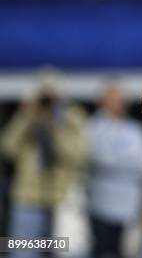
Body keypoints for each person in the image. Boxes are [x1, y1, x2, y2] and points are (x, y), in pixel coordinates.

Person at [0, 69, 88, 258]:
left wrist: (56, 128)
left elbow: (79, 155)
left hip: (61, 200)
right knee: (23, 253)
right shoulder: (27, 116)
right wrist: (26, 117)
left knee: (70, 252)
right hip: (28, 198)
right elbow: (8, 149)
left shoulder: (73, 117)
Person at [87, 84, 142, 258]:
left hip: (132, 206)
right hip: (101, 205)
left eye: (121, 101)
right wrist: (126, 162)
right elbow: (98, 158)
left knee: (130, 251)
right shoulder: (92, 127)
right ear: (102, 102)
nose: (119, 104)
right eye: (113, 100)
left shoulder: (135, 130)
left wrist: (116, 162)